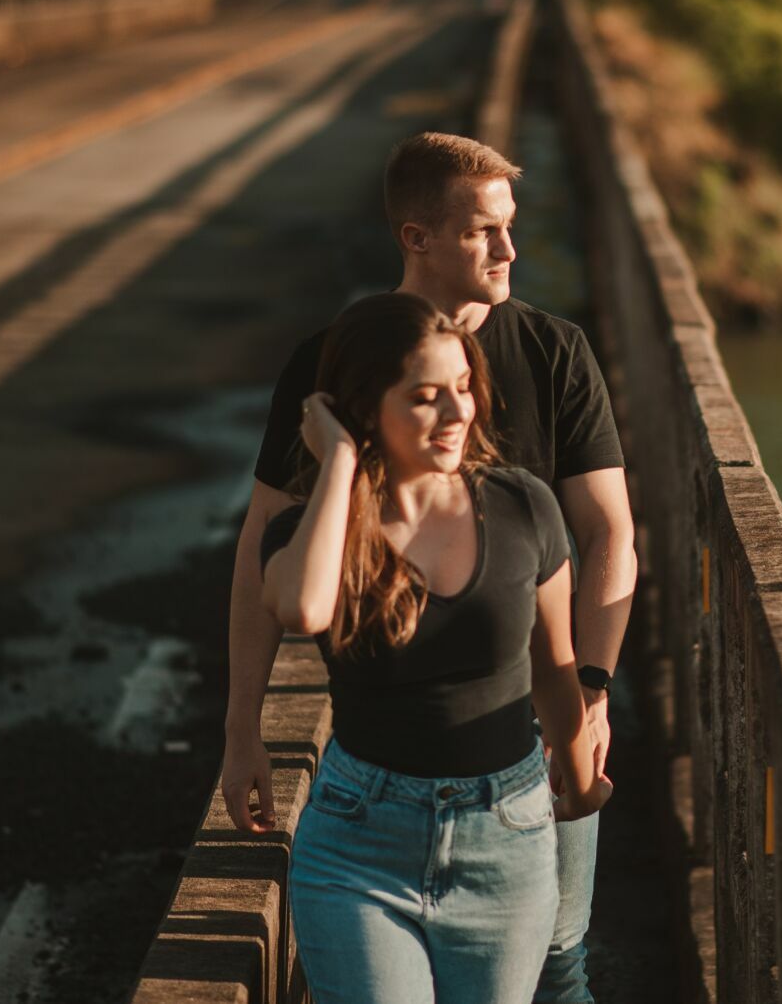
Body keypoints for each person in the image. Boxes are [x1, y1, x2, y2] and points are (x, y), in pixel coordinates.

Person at [223, 132, 635, 1004]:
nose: (510, 250)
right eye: (484, 231)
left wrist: (591, 692)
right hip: (377, 771)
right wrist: (240, 726)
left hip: (527, 749)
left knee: (562, 963)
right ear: (417, 237)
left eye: (511, 226)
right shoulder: (332, 365)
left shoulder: (555, 352)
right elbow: (266, 552)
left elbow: (608, 535)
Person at [262, 293, 611, 1002]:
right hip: (359, 844)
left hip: (505, 840)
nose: (457, 413)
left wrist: (580, 783)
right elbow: (302, 608)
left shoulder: (524, 506)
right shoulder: (312, 534)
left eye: (463, 388)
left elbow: (553, 667)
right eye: (425, 398)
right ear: (364, 410)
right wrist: (339, 463)